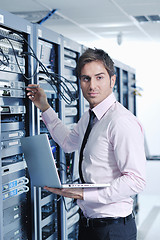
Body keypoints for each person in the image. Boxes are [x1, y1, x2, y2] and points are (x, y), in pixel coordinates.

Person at [27, 48, 146, 240]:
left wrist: (84, 194)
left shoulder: (120, 121)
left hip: (113, 230)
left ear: (112, 81)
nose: (92, 86)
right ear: (80, 82)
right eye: (86, 78)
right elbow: (67, 142)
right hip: (90, 225)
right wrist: (45, 107)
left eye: (99, 78)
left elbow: (136, 180)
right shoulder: (91, 117)